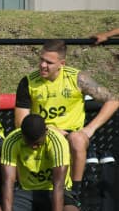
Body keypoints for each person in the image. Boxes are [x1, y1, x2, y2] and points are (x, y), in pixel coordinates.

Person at [14, 40, 118, 187]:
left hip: (71, 134)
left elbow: (113, 101)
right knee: (15, 140)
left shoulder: (77, 79)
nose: (43, 65)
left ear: (61, 64)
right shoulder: (28, 82)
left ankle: (75, 193)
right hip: (42, 134)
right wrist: (50, 130)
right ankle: (20, 190)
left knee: (77, 139)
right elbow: (20, 122)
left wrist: (90, 129)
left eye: (49, 62)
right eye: (41, 59)